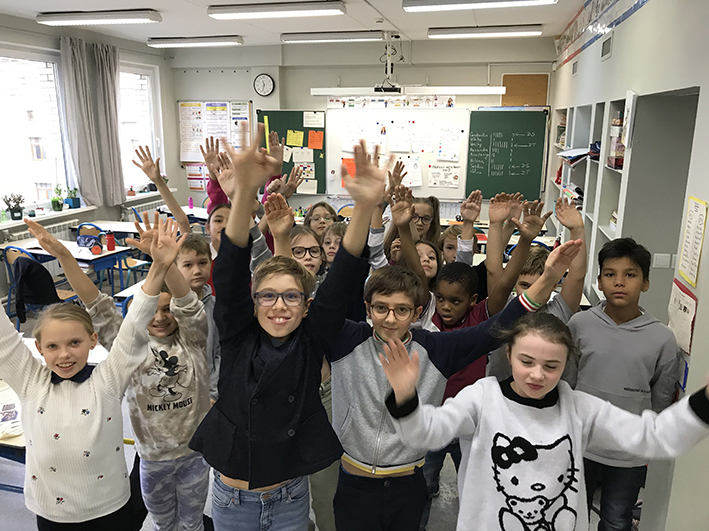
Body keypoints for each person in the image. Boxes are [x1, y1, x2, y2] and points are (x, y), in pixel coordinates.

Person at [329, 210, 582, 531]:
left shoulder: (436, 349)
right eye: (381, 308)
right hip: (354, 481)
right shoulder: (346, 340)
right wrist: (366, 208)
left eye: (402, 310)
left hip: (407, 483)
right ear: (368, 309)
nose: (390, 319)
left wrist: (547, 279)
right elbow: (327, 300)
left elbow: (493, 329)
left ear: (417, 313)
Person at [188, 124, 386, 531]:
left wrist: (364, 207)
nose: (279, 306)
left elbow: (343, 278)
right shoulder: (238, 336)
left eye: (291, 296)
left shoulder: (311, 340)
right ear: (254, 302)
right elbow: (228, 273)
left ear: (307, 305)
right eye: (268, 296)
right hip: (233, 499)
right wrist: (243, 192)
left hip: (290, 497)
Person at [378, 311, 709, 531]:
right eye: (526, 361)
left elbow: (653, 437)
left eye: (551, 366)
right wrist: (405, 396)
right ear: (509, 354)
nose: (537, 375)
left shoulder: (578, 408)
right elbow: (427, 434)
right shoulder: (482, 398)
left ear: (566, 364)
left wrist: (705, 402)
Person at [1, 217, 182, 530]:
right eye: (53, 346)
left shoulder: (108, 380)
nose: (65, 354)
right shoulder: (30, 381)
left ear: (93, 340)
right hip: (52, 513)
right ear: (39, 347)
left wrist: (158, 268)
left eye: (74, 343)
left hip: (109, 509)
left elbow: (133, 328)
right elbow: (4, 342)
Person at [567, 237, 679, 531]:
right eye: (610, 274)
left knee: (617, 520)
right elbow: (567, 381)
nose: (619, 282)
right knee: (570, 516)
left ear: (645, 283)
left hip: (629, 452)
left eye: (630, 275)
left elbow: (661, 397)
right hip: (580, 442)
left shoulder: (662, 338)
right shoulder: (579, 324)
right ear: (599, 281)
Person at [488, 196, 587, 381]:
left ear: (554, 285)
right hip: (503, 392)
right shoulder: (505, 307)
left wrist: (577, 229)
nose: (531, 293)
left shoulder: (559, 311)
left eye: (541, 285)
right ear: (514, 283)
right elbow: (493, 269)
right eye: (524, 285)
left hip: (550, 393)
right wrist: (495, 224)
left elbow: (577, 276)